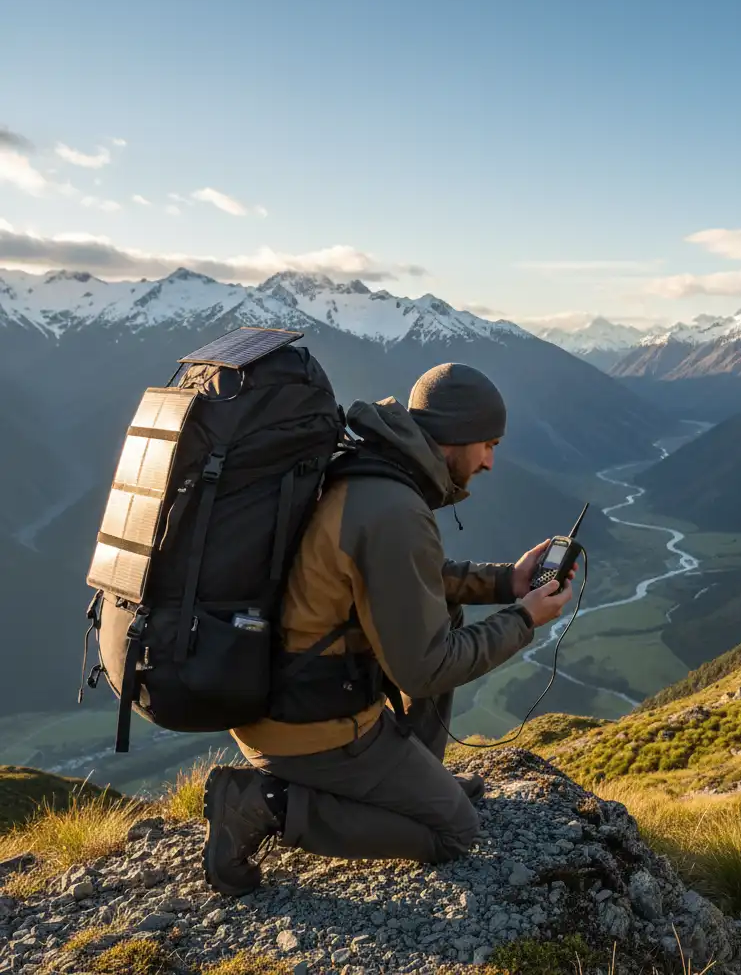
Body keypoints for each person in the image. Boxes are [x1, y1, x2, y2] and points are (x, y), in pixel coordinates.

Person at [201, 362, 576, 896]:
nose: (490, 462)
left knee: (441, 612)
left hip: (280, 697)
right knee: (454, 831)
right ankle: (262, 805)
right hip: (309, 727)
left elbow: (407, 580)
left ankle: (414, 775)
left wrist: (506, 582)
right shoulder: (393, 508)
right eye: (488, 445)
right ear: (455, 435)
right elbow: (425, 671)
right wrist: (523, 619)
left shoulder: (370, 472)